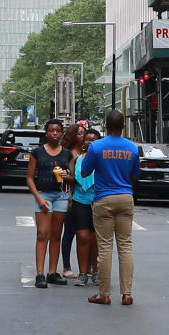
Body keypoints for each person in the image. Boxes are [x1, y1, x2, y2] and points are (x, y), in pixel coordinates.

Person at [80, 110, 140, 306]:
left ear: (106, 126)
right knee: (125, 245)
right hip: (125, 197)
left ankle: (104, 293)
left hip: (104, 198)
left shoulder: (96, 146)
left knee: (105, 247)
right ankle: (127, 293)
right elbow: (135, 174)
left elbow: (85, 170)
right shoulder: (132, 148)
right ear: (123, 126)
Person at [27, 119, 73, 288]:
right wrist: (39, 198)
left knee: (56, 235)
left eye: (58, 131)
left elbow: (72, 177)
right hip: (43, 195)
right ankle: (40, 274)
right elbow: (30, 178)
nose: (55, 133)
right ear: (46, 133)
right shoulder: (37, 152)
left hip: (61, 196)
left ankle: (52, 272)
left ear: (61, 133)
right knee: (42, 234)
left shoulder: (66, 154)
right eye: (51, 130)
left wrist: (66, 178)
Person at [71, 129, 101, 286]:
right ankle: (83, 273)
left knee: (96, 240)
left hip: (98, 201)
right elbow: (71, 177)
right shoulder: (77, 159)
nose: (90, 143)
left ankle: (96, 272)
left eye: (94, 140)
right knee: (82, 237)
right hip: (80, 200)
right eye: (87, 140)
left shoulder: (103, 159)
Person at [58, 123, 85, 279]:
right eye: (80, 134)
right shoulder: (67, 153)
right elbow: (63, 178)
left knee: (85, 233)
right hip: (70, 192)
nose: (83, 137)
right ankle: (66, 267)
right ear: (73, 135)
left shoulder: (88, 152)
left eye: (84, 134)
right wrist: (68, 197)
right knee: (69, 231)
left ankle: (87, 267)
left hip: (87, 193)